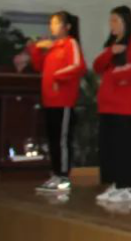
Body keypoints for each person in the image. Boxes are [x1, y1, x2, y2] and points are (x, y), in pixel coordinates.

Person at [93, 6, 131, 204]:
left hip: (124, 106)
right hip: (106, 105)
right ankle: (115, 184)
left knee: (124, 147)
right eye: (110, 20)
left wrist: (115, 75)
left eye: (115, 20)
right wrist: (110, 52)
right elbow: (97, 66)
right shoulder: (111, 45)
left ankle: (126, 187)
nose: (112, 24)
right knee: (109, 147)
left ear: (126, 22)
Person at [28, 11, 87, 193]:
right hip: (49, 100)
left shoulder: (70, 43)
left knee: (62, 139)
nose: (52, 27)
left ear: (66, 27)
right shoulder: (52, 47)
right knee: (52, 139)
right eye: (51, 23)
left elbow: (78, 66)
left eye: (55, 23)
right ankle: (55, 174)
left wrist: (56, 77)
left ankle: (63, 177)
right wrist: (37, 48)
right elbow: (38, 66)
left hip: (63, 100)